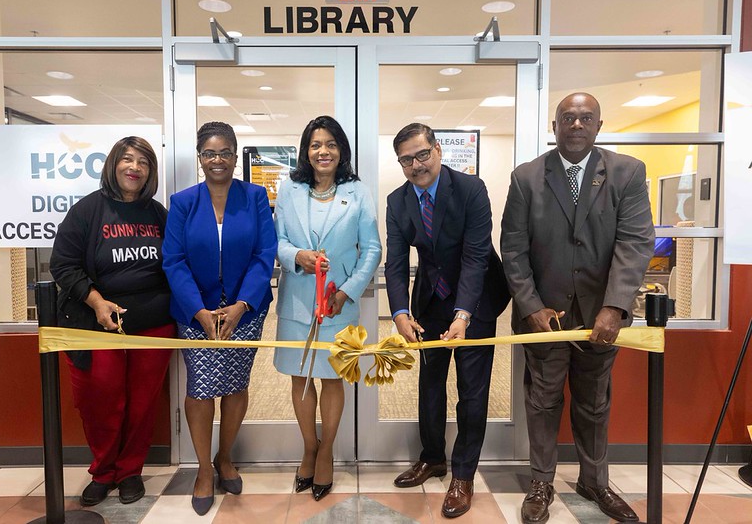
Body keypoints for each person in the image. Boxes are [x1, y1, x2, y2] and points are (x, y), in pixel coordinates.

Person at [501, 92, 655, 524]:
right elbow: (512, 250)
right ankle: (541, 482)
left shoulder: (626, 173)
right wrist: (531, 306)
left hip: (599, 320)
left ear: (599, 126)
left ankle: (594, 480)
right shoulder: (526, 177)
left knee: (593, 404)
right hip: (543, 321)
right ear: (554, 126)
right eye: (567, 118)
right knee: (543, 401)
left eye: (586, 118)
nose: (576, 125)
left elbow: (635, 242)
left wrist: (614, 307)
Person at [384, 123, 509, 519]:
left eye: (422, 154)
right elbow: (397, 263)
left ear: (437, 149)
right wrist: (400, 312)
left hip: (477, 301)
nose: (416, 165)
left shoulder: (471, 189)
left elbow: (476, 257)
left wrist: (464, 314)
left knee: (472, 390)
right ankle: (433, 457)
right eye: (407, 159)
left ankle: (463, 475)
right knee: (430, 383)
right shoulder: (398, 200)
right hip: (430, 302)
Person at [50, 136, 174, 507]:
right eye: (127, 159)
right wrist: (97, 301)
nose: (134, 167)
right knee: (100, 400)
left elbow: (175, 265)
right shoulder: (87, 211)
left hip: (152, 324)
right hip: (96, 323)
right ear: (113, 165)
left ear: (150, 171)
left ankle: (131, 471)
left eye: (143, 162)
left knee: (141, 404)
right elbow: (63, 264)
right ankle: (103, 471)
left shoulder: (157, 214)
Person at [162, 121, 276, 515]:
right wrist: (199, 311)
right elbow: (173, 261)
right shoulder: (182, 202)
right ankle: (203, 469)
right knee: (200, 388)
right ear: (200, 157)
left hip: (245, 312)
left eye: (225, 152)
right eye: (209, 153)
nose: (217, 160)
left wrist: (242, 304)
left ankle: (225, 456)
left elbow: (265, 254)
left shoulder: (256, 196)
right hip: (196, 314)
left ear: (235, 155)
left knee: (235, 384)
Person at [273, 115, 381, 501]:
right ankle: (308, 446)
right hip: (297, 302)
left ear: (342, 151)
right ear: (306, 151)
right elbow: (277, 240)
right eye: (316, 144)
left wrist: (348, 291)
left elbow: (372, 248)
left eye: (331, 144)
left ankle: (327, 451)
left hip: (337, 305)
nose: (323, 151)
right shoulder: (289, 190)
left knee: (333, 379)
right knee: (299, 378)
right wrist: (296, 255)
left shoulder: (358, 191)